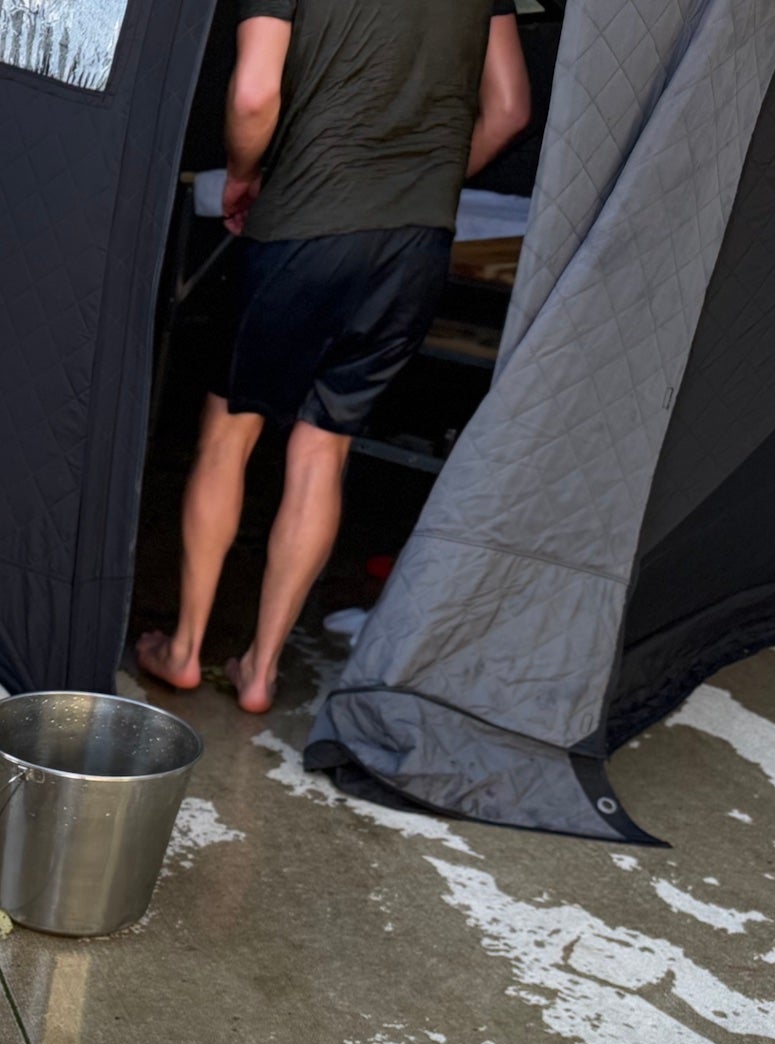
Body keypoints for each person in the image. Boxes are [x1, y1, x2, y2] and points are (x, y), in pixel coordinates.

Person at [137, 0, 531, 713]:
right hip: (415, 242)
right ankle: (260, 670)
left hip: (306, 221)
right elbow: (507, 109)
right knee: (324, 450)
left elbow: (256, 94)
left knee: (230, 434)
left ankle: (185, 650)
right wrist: (426, 185)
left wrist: (241, 174)